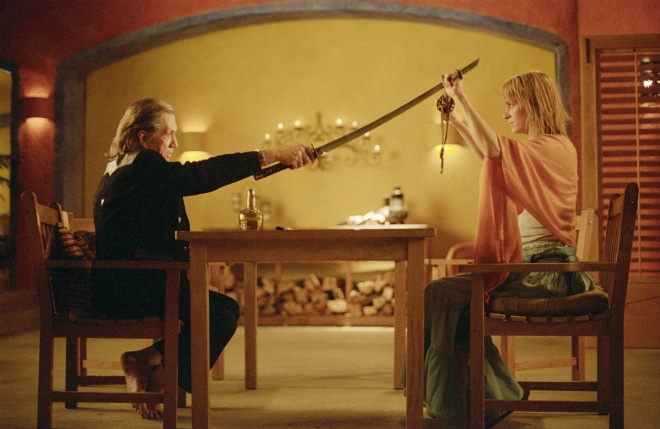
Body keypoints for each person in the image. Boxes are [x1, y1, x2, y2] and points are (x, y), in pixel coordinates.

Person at [92, 98, 316, 419]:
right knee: (222, 312)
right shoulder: (143, 164)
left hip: (123, 283)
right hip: (133, 289)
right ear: (143, 137)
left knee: (216, 309)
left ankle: (147, 361)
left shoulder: (121, 167)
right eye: (168, 134)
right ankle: (158, 378)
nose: (175, 143)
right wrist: (270, 155)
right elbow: (200, 175)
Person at [409, 71, 596, 427]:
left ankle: (491, 396)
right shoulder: (546, 148)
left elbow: (495, 150)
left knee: (441, 295)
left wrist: (461, 97)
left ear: (532, 105)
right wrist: (457, 120)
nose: (506, 113)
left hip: (547, 274)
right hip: (532, 269)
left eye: (511, 104)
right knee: (444, 296)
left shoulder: (553, 147)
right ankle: (494, 394)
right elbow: (491, 154)